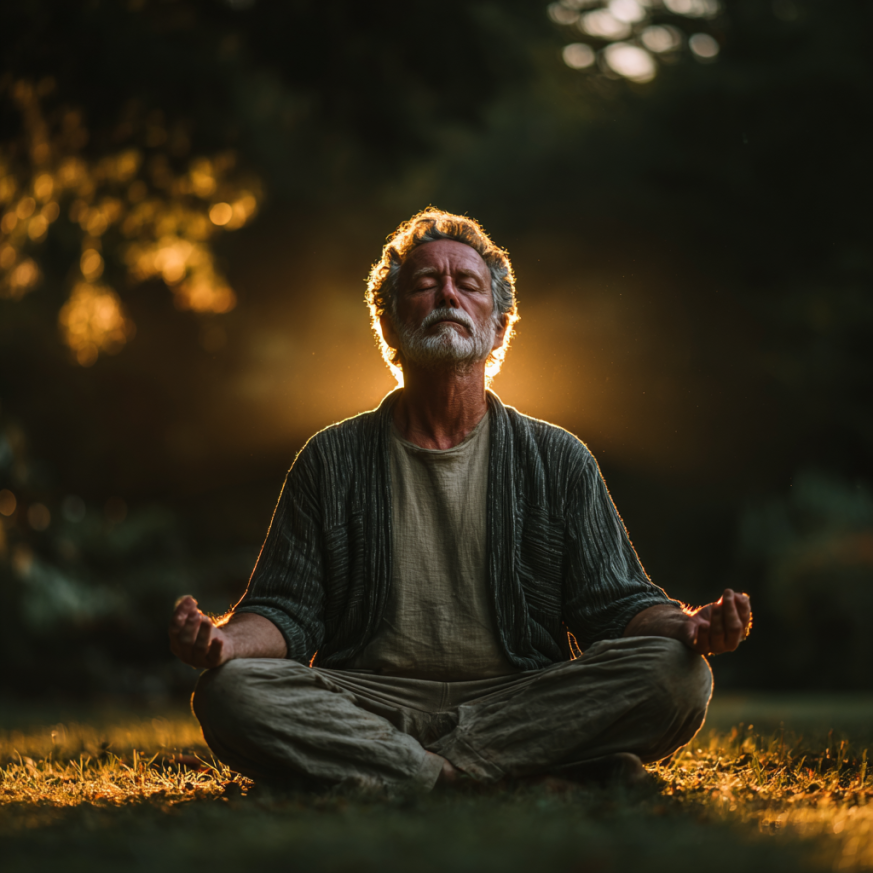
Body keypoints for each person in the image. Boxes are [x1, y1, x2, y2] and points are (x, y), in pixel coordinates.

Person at [168, 209, 752, 793]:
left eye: (467, 284)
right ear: (391, 325)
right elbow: (284, 610)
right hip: (367, 700)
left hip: (520, 699)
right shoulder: (331, 458)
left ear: (498, 326)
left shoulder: (557, 458)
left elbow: (617, 605)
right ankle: (513, 773)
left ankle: (412, 774)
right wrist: (224, 643)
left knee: (678, 676)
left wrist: (689, 627)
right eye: (424, 284)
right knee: (229, 690)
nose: (447, 292)